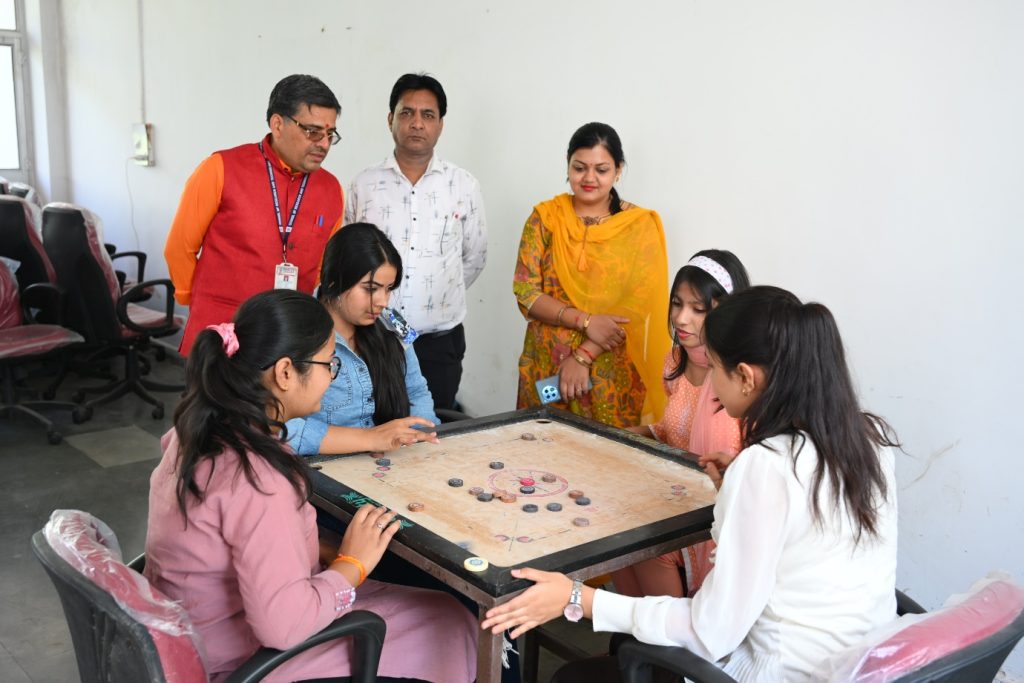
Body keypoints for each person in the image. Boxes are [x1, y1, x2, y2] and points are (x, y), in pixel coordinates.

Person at [483, 286, 899, 682]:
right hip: (867, 665)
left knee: (570, 678)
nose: (711, 383)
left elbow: (710, 631)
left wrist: (578, 598)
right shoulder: (868, 440)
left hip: (781, 672)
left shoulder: (766, 467)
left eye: (714, 367)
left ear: (746, 377)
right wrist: (736, 490)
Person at [144, 289, 476, 682]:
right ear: (285, 373)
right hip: (240, 661)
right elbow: (283, 628)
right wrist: (352, 564)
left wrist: (324, 549)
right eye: (328, 364)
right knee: (449, 621)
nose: (330, 377)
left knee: (434, 606)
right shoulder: (259, 478)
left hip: (191, 632)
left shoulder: (198, 430)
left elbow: (243, 539)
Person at [164, 74, 345, 356]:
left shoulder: (331, 189)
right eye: (313, 132)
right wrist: (197, 301)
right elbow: (179, 248)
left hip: (285, 338)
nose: (323, 144)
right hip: (221, 333)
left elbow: (323, 266)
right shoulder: (220, 168)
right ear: (278, 124)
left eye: (330, 134)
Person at [344, 73, 487, 411]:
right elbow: (349, 260)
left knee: (434, 427)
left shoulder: (463, 185)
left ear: (440, 125)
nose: (417, 123)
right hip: (373, 338)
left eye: (428, 115)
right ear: (390, 119)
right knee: (373, 424)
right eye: (406, 112)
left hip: (439, 342)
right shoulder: (364, 185)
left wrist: (434, 297)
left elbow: (474, 257)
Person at [514, 122, 671, 428]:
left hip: (610, 371)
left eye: (601, 169)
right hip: (547, 364)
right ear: (568, 164)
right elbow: (525, 291)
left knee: (606, 452)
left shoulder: (638, 226)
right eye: (580, 167)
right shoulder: (545, 218)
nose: (589, 178)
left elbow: (638, 304)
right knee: (540, 446)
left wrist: (584, 355)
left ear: (618, 170)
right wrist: (585, 321)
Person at [616, 250, 750, 598]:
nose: (681, 318)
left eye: (697, 309)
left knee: (642, 543)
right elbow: (672, 431)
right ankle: (630, 628)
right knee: (613, 529)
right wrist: (626, 437)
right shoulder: (675, 362)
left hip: (715, 513)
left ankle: (668, 628)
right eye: (677, 304)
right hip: (674, 496)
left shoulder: (743, 379)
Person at [286, 223, 439, 455]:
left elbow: (417, 392)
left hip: (391, 461)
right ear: (334, 281)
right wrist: (368, 439)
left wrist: (418, 441)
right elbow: (278, 427)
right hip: (320, 466)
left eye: (388, 289)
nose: (383, 302)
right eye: (370, 289)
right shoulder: (294, 329)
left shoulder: (393, 321)